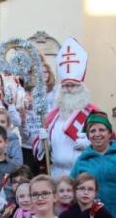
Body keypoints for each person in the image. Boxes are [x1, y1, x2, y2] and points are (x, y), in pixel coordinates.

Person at [32, 37, 96, 178]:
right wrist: (44, 143)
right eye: (66, 85)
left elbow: (108, 142)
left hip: (84, 173)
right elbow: (42, 153)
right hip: (57, 173)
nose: (69, 89)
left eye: (73, 85)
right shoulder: (53, 116)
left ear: (81, 88)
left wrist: (91, 144)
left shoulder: (93, 114)